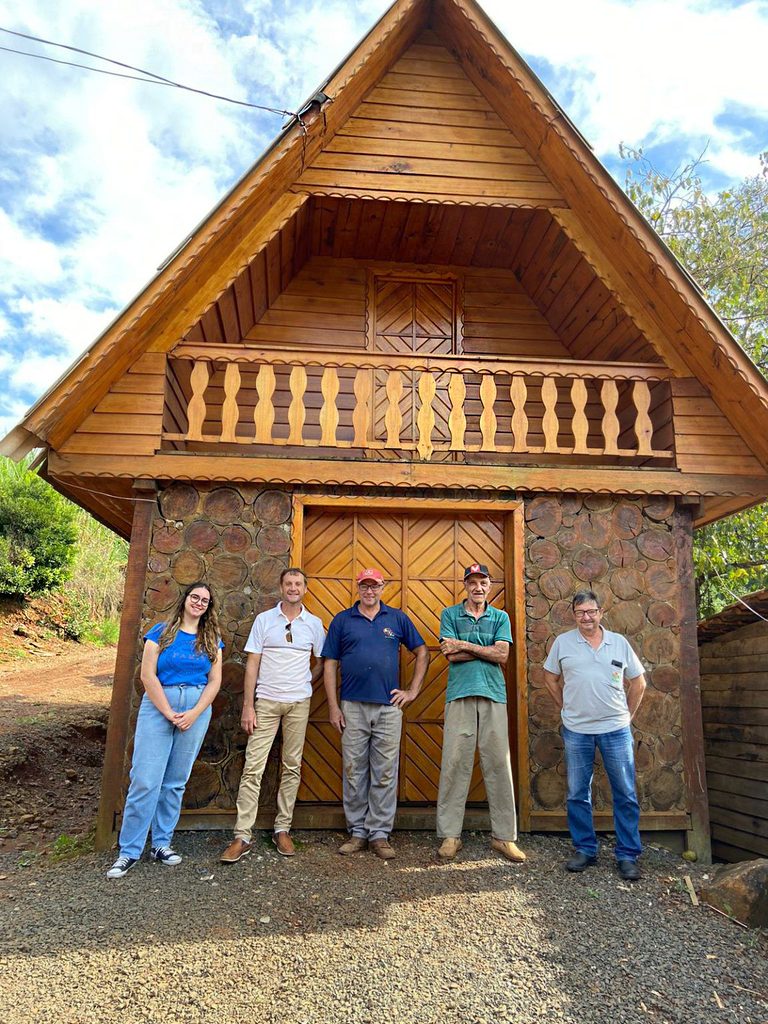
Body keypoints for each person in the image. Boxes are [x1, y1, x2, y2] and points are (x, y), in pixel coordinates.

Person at [107, 581, 223, 878]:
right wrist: (169, 712)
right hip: (159, 708)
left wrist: (194, 713)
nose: (199, 603)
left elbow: (214, 681)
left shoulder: (211, 639)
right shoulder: (161, 631)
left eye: (205, 600)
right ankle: (129, 850)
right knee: (145, 780)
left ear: (209, 607)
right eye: (195, 597)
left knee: (175, 781)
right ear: (185, 600)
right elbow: (148, 675)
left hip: (195, 710)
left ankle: (161, 843)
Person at [322, 568, 429, 860]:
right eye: (364, 586)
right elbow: (329, 664)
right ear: (358, 588)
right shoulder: (343, 620)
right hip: (352, 707)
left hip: (389, 707)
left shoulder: (397, 618)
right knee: (354, 771)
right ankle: (358, 832)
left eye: (375, 586)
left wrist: (413, 691)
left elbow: (422, 652)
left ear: (383, 587)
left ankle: (379, 834)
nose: (370, 591)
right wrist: (333, 706)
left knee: (384, 772)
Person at [220, 567, 325, 863]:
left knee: (292, 766)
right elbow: (252, 663)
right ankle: (242, 835)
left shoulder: (314, 624)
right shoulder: (264, 621)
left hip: (298, 704)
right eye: (288, 583)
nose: (293, 588)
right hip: (265, 702)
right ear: (280, 588)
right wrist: (248, 705)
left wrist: (306, 683)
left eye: (298, 584)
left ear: (305, 588)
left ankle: (283, 828)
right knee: (254, 767)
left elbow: (322, 660)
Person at [543, 588, 647, 881]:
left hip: (615, 730)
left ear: (600, 613)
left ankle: (627, 854)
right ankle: (585, 849)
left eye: (591, 612)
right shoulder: (563, 643)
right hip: (577, 731)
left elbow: (639, 683)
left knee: (625, 793)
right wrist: (565, 708)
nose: (586, 617)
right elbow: (549, 679)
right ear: (573, 615)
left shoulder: (619, 643)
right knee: (578, 793)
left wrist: (627, 717)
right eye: (580, 613)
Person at [436, 563, 526, 864]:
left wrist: (463, 644)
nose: (478, 587)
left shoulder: (500, 617)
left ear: (489, 586)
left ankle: (504, 838)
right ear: (465, 585)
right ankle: (450, 835)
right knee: (454, 763)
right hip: (459, 695)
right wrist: (481, 649)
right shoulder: (449, 614)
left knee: (499, 765)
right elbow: (449, 656)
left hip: (493, 695)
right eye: (472, 582)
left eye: (483, 582)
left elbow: (502, 655)